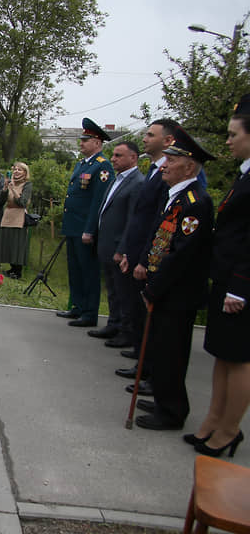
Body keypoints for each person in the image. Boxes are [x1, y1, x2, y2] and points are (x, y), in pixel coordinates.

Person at [132, 126, 213, 431]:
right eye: (165, 159)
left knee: (173, 352)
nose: (163, 165)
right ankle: (163, 399)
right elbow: (159, 237)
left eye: (171, 160)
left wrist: (155, 288)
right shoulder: (175, 196)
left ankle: (172, 411)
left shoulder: (195, 202)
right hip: (163, 287)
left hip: (177, 292)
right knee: (161, 348)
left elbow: (181, 253)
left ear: (189, 167)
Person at [187, 94, 250, 456]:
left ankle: (229, 430)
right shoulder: (245, 175)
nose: (228, 141)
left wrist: (240, 288)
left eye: (233, 134)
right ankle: (212, 420)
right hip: (226, 278)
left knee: (239, 359)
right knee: (222, 354)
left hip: (241, 285)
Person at [114, 119, 179, 395]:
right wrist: (132, 251)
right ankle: (143, 364)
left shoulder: (170, 173)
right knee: (139, 313)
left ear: (168, 141)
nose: (145, 138)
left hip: (152, 257)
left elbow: (160, 221)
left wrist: (144, 258)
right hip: (139, 251)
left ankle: (149, 370)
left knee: (150, 319)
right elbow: (141, 218)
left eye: (151, 135)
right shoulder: (153, 169)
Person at [57, 118, 113, 327]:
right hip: (73, 226)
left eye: (85, 140)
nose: (81, 143)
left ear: (97, 143)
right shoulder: (83, 164)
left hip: (84, 229)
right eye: (81, 139)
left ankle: (90, 313)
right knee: (75, 269)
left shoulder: (103, 166)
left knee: (88, 271)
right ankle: (78, 307)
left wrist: (90, 230)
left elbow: (98, 202)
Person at [92, 142, 144, 351]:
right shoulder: (117, 179)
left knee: (124, 292)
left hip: (119, 247)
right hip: (106, 243)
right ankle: (113, 323)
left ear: (133, 158)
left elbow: (133, 220)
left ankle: (126, 330)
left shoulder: (137, 182)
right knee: (112, 290)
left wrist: (122, 249)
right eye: (113, 155)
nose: (112, 159)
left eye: (118, 155)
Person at [0, 162, 32, 279]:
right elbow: (1, 198)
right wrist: (6, 187)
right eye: (15, 169)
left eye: (19, 170)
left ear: (25, 173)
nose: (16, 171)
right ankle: (11, 267)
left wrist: (14, 190)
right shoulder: (11, 183)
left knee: (17, 243)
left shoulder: (27, 185)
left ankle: (17, 270)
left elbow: (22, 202)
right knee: (8, 241)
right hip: (8, 214)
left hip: (19, 215)